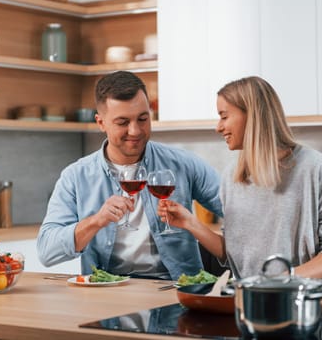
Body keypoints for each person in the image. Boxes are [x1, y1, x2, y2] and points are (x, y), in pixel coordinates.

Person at [158, 76, 322, 286]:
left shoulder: (315, 168)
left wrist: (281, 280)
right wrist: (190, 223)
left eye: (224, 116)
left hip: (316, 301)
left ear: (252, 116)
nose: (218, 127)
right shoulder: (232, 176)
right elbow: (235, 252)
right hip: (257, 301)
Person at [37, 71, 222, 280]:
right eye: (123, 122)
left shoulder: (183, 164)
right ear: (101, 123)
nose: (135, 131)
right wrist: (96, 221)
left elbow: (238, 212)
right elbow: (47, 251)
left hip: (176, 289)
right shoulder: (76, 176)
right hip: (109, 292)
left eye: (142, 119)